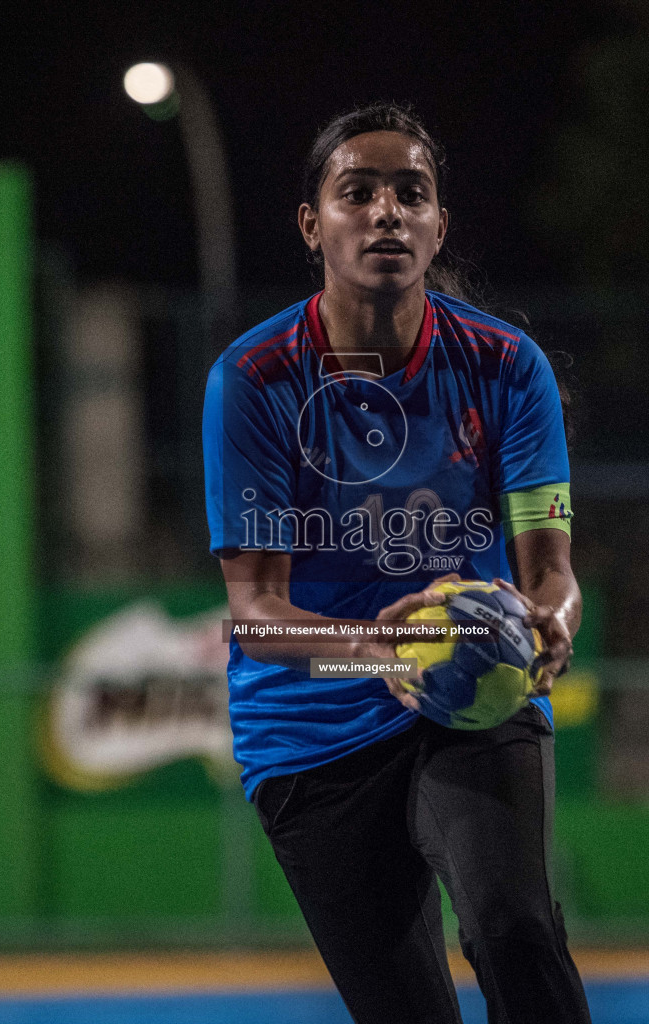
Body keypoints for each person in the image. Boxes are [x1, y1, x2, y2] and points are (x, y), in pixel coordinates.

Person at [202, 103, 591, 1024]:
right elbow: (256, 617)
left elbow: (552, 568)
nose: (386, 212)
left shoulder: (507, 367)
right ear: (312, 224)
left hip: (474, 693)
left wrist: (553, 625)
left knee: (516, 931)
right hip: (312, 728)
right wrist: (382, 652)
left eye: (410, 194)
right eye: (357, 192)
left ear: (438, 226)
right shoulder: (255, 380)